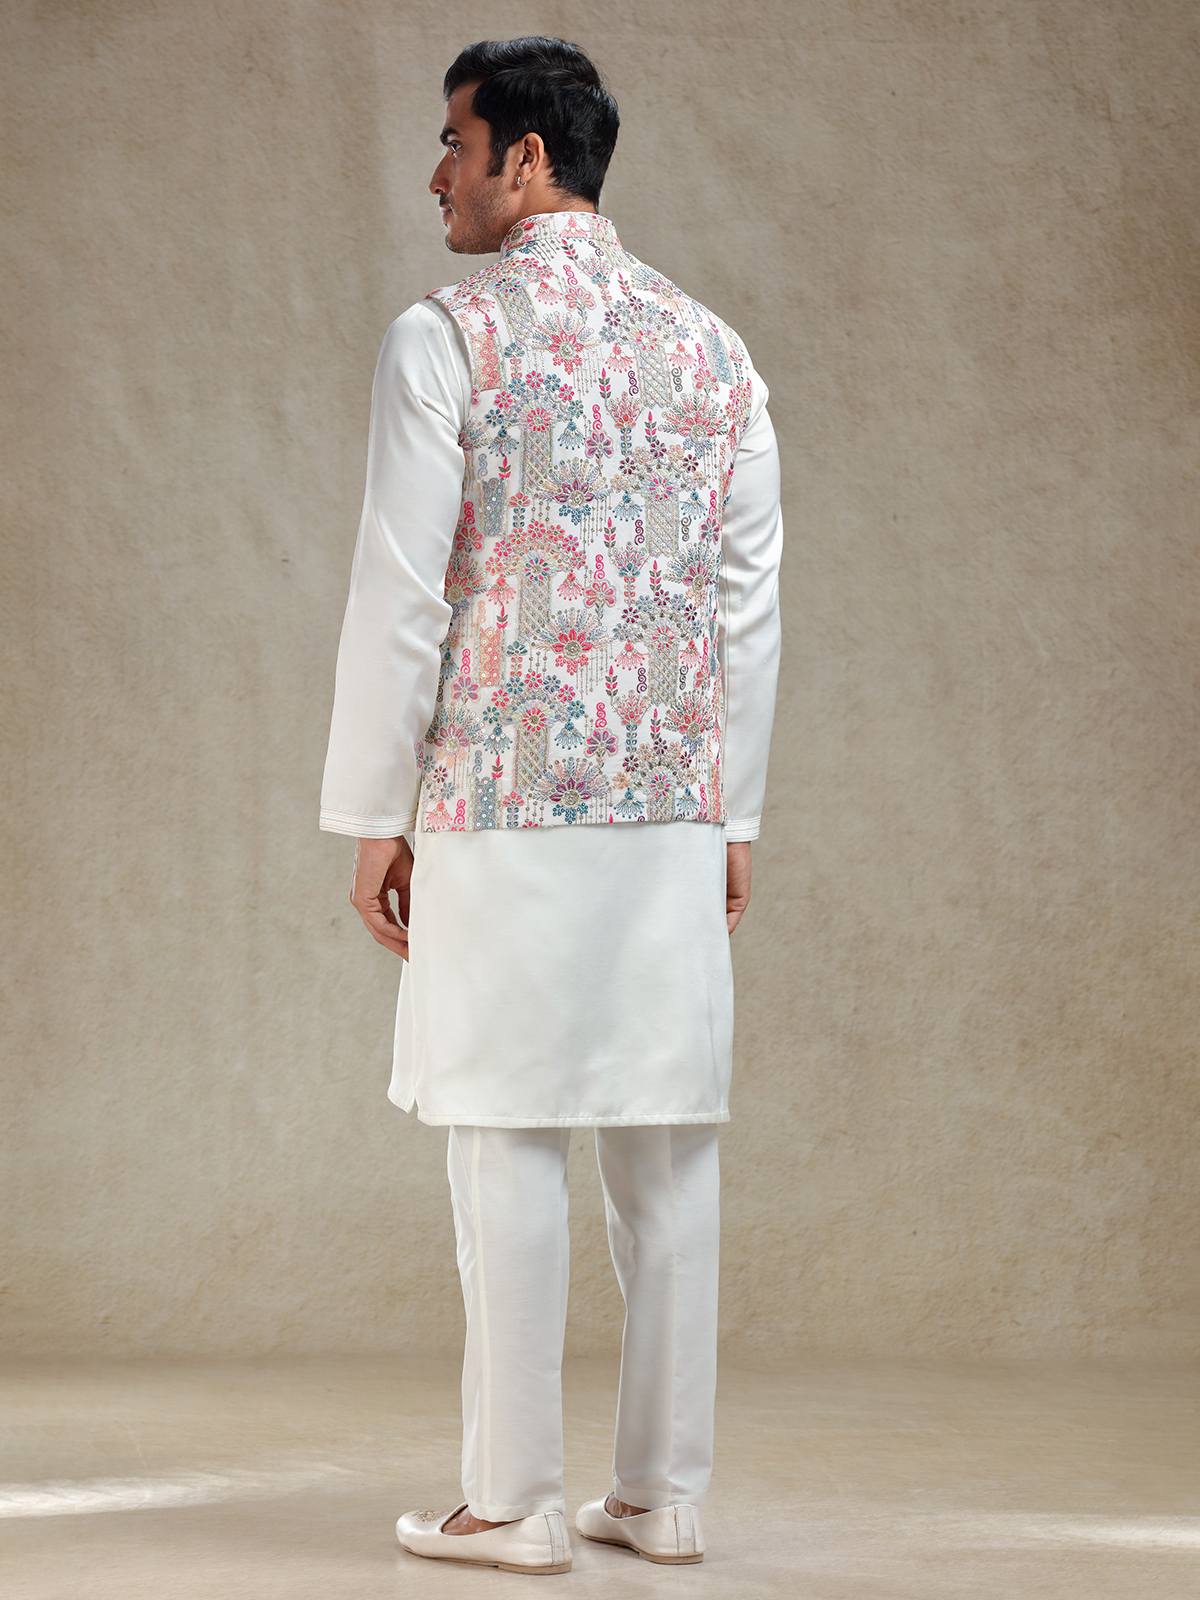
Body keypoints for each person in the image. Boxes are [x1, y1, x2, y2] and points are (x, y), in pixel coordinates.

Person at [319, 36, 782, 1576]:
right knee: (668, 1149)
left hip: (502, 801)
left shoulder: (446, 337)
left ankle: (511, 1500)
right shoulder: (714, 352)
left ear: (526, 159)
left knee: (506, 1128)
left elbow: (402, 594)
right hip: (667, 810)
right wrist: (734, 818)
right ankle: (662, 1495)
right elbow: (745, 608)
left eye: (455, 144)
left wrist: (374, 811)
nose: (435, 174)